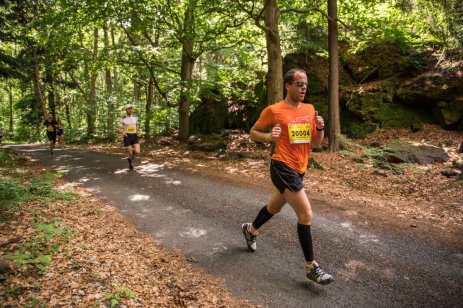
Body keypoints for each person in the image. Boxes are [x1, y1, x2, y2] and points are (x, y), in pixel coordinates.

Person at [241, 68, 334, 285]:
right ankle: (312, 267)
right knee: (306, 214)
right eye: (299, 83)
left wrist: (320, 128)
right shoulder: (274, 110)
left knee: (274, 207)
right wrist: (268, 136)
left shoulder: (310, 110)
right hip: (281, 166)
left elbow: (316, 143)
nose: (303, 88)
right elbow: (253, 132)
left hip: (300, 169)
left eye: (306, 84)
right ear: (288, 85)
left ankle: (251, 229)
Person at [118, 104, 140, 171]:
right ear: (126, 110)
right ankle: (130, 162)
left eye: (131, 108)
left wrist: (137, 130)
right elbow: (118, 128)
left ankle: (131, 156)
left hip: (134, 136)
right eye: (128, 108)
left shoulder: (135, 118)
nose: (130, 110)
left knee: (137, 152)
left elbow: (137, 125)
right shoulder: (123, 119)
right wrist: (122, 132)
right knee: (130, 153)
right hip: (127, 136)